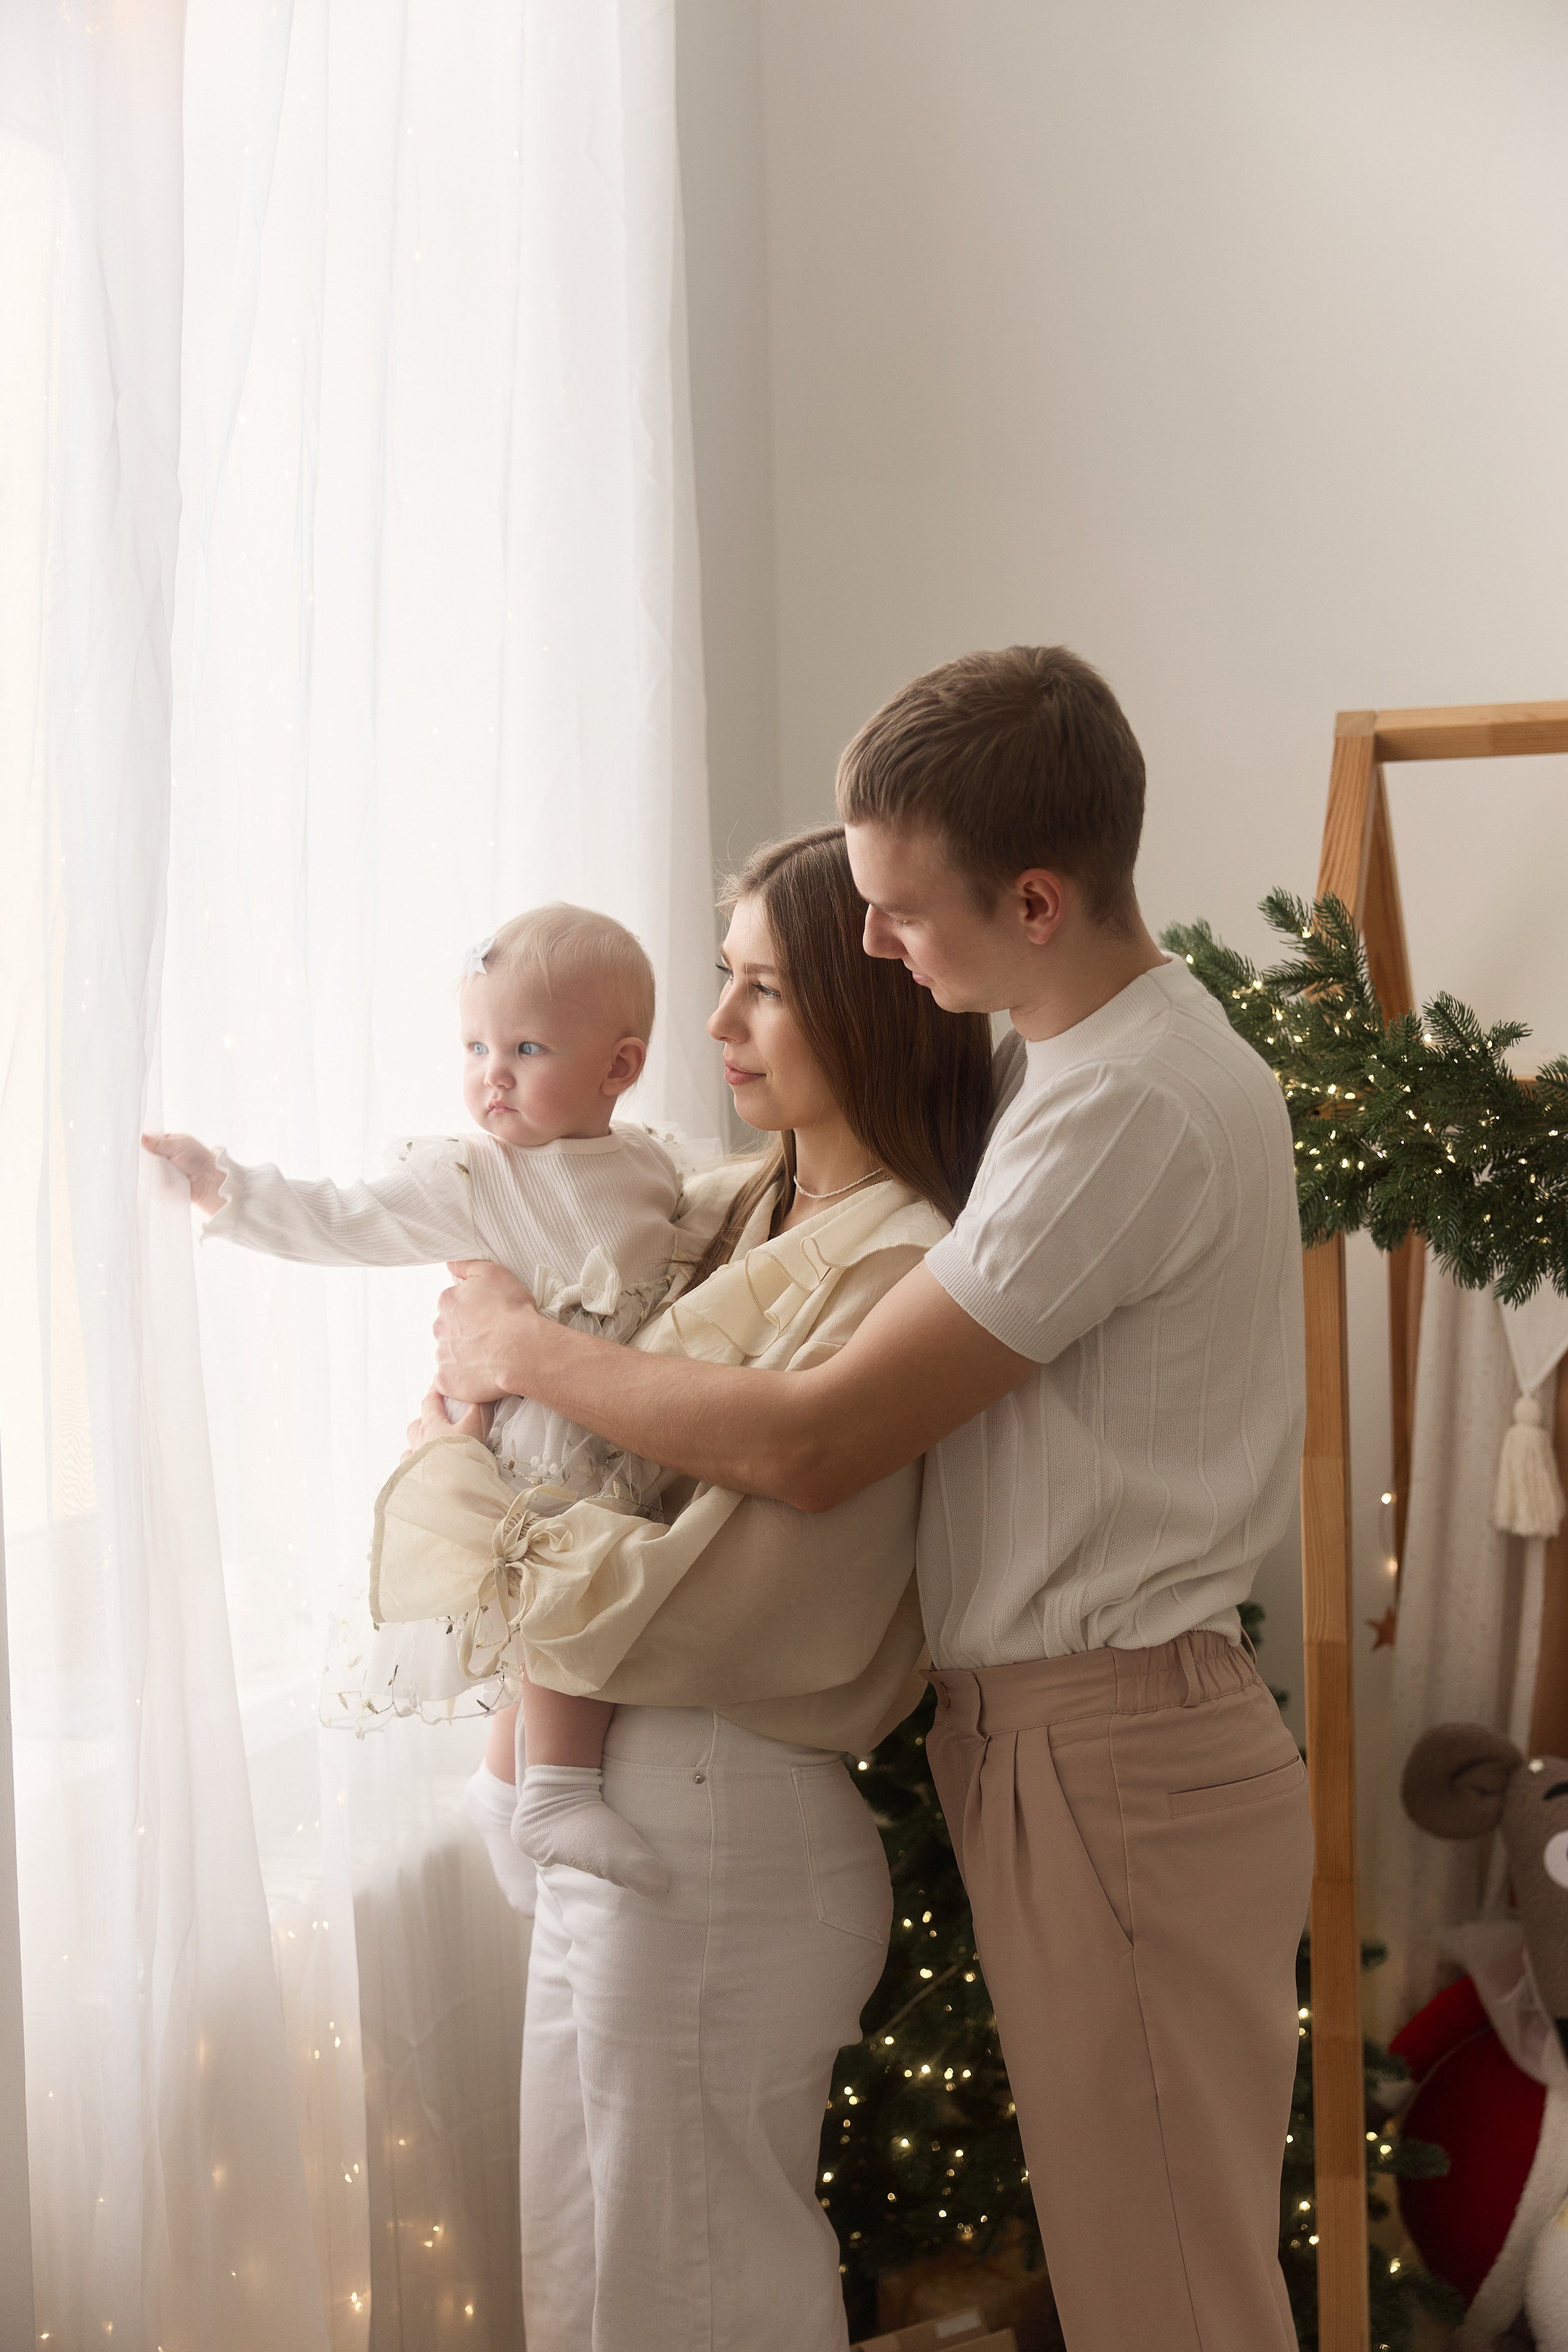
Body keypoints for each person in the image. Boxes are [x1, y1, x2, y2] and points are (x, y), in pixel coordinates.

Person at [432, 647, 1314, 2352]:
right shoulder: (1084, 1068)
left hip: (1110, 1737)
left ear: (1038, 901)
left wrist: (524, 1352)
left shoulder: (1119, 1104)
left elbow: (818, 1438)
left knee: (1171, 2296)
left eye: (901, 912)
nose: (879, 946)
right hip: (1068, 1737)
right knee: (1155, 2271)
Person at [382, 824, 992, 2351]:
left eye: (761, 991)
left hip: (722, 1819)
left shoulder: (902, 1261)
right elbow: (512, 1438)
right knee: (589, 2270)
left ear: (871, 1005)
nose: (714, 1029)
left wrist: (513, 1371)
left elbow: (663, 1541)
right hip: (620, 1814)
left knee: (688, 2287)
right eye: (722, 982)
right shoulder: (711, 1208)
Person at [143, 901, 689, 1897]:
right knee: (566, 1602)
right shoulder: (473, 1176)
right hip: (540, 1449)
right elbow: (346, 1217)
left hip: (627, 1425)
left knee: (596, 1608)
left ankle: (498, 1788)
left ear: (618, 1067)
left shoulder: (653, 1162)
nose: (493, 1073)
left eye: (527, 1047)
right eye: (477, 1045)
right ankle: (554, 1796)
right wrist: (228, 1185)